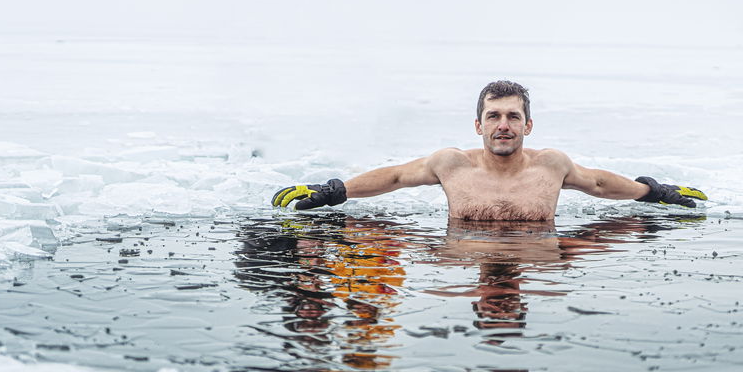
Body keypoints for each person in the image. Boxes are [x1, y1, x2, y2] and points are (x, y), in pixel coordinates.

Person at [272, 80, 707, 221]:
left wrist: (655, 192)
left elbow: (596, 183)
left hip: (538, 248)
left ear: (528, 125)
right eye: (494, 117)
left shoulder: (551, 164)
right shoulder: (451, 164)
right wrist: (334, 191)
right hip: (464, 245)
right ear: (479, 125)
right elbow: (397, 177)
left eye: (513, 117)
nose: (504, 126)